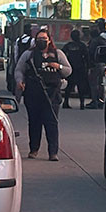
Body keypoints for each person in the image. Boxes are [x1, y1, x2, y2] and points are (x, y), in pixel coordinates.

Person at [15, 29, 72, 161]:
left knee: (51, 123)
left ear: (49, 40)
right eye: (39, 39)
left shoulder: (58, 54)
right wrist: (20, 81)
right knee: (34, 123)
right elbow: (19, 69)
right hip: (33, 94)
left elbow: (68, 70)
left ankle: (53, 152)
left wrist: (59, 67)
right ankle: (34, 149)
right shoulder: (28, 55)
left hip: (52, 94)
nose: (42, 41)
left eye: (44, 39)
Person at [61, 29, 90, 110]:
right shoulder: (82, 45)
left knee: (69, 86)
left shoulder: (68, 45)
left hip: (71, 68)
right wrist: (88, 67)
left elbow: (62, 55)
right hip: (80, 68)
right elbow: (87, 57)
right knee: (81, 86)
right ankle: (81, 104)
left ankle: (65, 102)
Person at [87, 27, 106, 109]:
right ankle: (100, 100)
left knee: (93, 84)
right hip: (102, 64)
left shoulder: (93, 42)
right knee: (100, 83)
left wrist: (89, 64)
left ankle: (94, 101)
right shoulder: (103, 41)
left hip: (95, 64)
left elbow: (90, 53)